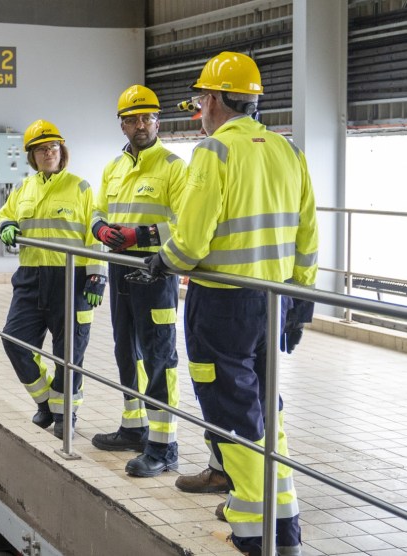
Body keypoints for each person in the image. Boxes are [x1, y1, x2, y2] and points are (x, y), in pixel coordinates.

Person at [144, 51, 318, 556]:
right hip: (277, 298)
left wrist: (162, 261)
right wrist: (301, 299)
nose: (199, 109)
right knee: (266, 409)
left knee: (231, 415)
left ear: (216, 99)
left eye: (200, 100)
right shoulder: (289, 152)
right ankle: (285, 524)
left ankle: (252, 528)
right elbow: (308, 233)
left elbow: (191, 242)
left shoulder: (214, 153)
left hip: (222, 303)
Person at [89, 85, 186, 478]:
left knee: (159, 355)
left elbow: (184, 223)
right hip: (119, 270)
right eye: (133, 119)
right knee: (125, 351)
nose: (141, 124)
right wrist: (99, 229)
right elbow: (97, 208)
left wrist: (138, 236)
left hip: (156, 272)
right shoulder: (114, 167)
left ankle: (164, 447)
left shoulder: (174, 167)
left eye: (148, 117)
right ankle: (134, 427)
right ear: (123, 125)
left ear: (157, 121)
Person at [0, 119, 107, 440]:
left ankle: (65, 412)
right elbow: (6, 213)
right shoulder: (24, 189)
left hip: (70, 278)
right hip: (30, 279)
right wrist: (6, 224)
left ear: (63, 151)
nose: (49, 153)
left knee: (69, 352)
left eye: (54, 147)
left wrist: (97, 277)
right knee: (13, 340)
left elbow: (94, 235)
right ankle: (46, 402)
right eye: (42, 149)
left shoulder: (80, 187)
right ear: (32, 156)